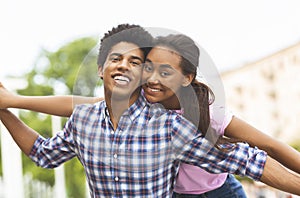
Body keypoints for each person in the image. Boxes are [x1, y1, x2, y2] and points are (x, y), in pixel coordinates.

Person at [1, 24, 300, 197]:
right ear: (100, 68)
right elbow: (43, 153)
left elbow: (251, 158)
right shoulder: (84, 120)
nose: (124, 66)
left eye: (134, 62)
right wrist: (6, 107)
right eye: (116, 58)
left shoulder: (172, 125)